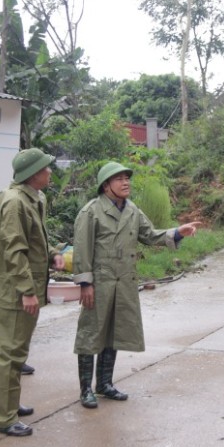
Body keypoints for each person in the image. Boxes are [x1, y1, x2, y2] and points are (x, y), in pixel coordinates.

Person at [72, 162, 201, 409]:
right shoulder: (91, 212)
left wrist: (177, 232)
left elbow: (150, 235)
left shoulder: (132, 211)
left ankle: (105, 384)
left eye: (126, 178)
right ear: (106, 185)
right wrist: (85, 283)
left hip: (125, 282)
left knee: (115, 331)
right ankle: (86, 389)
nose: (125, 182)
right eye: (118, 179)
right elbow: (82, 250)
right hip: (100, 282)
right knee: (91, 333)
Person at [0, 148, 64, 437]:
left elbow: (34, 236)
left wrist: (52, 252)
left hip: (20, 287)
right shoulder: (15, 201)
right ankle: (4, 417)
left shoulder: (32, 198)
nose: (50, 171)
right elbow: (13, 248)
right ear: (33, 173)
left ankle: (10, 404)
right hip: (15, 291)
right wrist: (27, 290)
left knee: (17, 351)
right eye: (46, 167)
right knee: (9, 353)